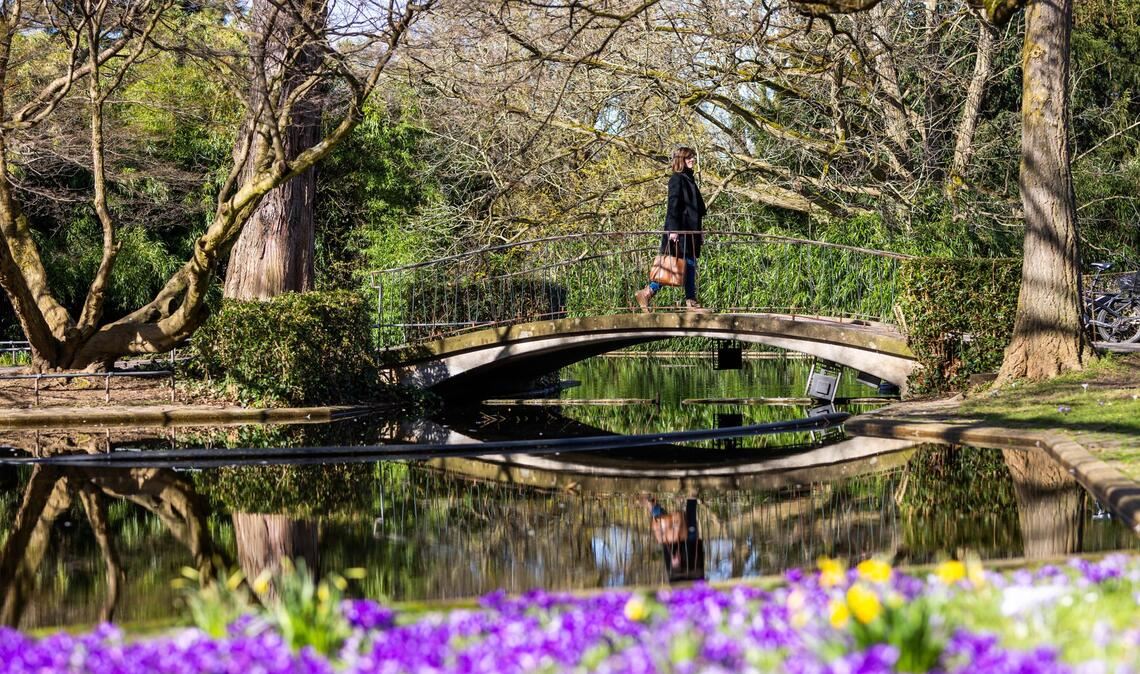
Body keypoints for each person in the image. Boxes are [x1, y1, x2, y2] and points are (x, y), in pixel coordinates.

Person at [636, 146, 709, 313]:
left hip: (690, 233)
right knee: (683, 264)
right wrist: (673, 230)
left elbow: (696, 210)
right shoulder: (677, 179)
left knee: (685, 264)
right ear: (680, 160)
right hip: (680, 232)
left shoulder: (689, 179)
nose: (693, 160)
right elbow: (673, 206)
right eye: (689, 158)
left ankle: (647, 293)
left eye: (693, 157)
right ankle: (690, 302)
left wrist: (700, 232)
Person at [646, 495, 706, 582]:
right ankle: (691, 496)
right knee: (686, 521)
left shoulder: (679, 591)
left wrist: (676, 566)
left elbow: (673, 577)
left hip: (684, 550)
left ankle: (654, 508)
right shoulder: (699, 591)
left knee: (669, 524)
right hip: (690, 550)